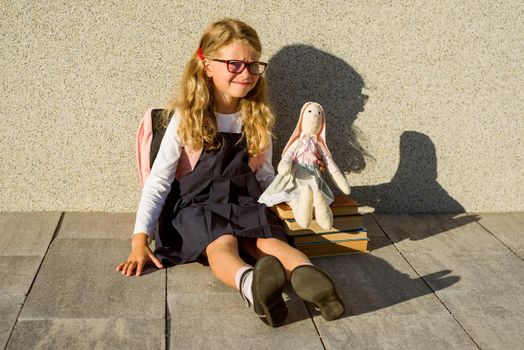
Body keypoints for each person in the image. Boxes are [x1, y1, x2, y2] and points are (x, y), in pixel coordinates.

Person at [116, 18, 344, 327]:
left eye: (253, 66)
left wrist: (291, 194)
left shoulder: (257, 116)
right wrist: (139, 240)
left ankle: (305, 280)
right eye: (234, 64)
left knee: (266, 237)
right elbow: (159, 181)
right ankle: (259, 282)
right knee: (221, 241)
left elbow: (265, 177)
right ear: (207, 65)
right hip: (195, 205)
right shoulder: (187, 117)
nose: (246, 73)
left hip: (245, 198)